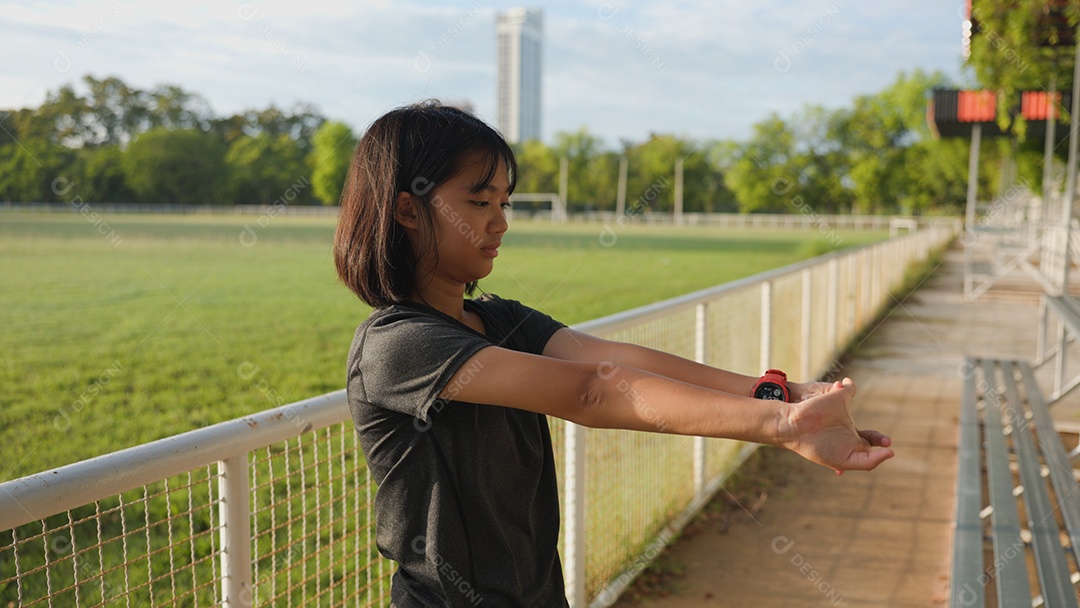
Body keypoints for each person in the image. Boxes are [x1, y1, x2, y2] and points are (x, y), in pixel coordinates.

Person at [333, 101, 894, 607]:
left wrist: (780, 393)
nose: (500, 222)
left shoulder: (499, 319)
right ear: (407, 210)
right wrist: (782, 426)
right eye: (478, 201)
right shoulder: (397, 344)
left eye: (503, 202)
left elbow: (619, 361)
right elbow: (590, 391)